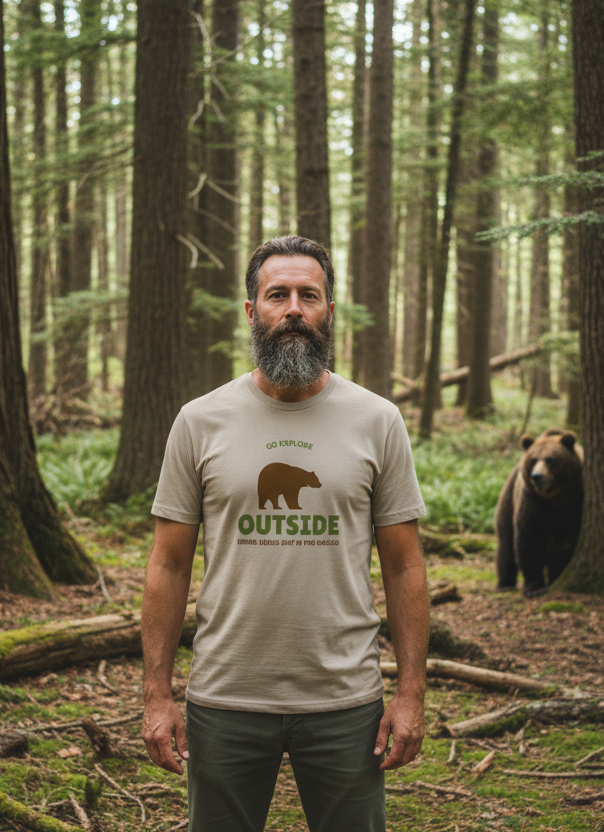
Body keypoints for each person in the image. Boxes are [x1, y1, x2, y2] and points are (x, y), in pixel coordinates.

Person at [141, 235, 430, 832]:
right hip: (225, 697)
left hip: (345, 700)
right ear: (253, 310)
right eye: (278, 295)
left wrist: (410, 694)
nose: (294, 308)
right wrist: (157, 695)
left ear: (329, 310)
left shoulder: (378, 420)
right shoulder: (200, 421)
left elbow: (405, 566)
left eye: (309, 295)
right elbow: (167, 565)